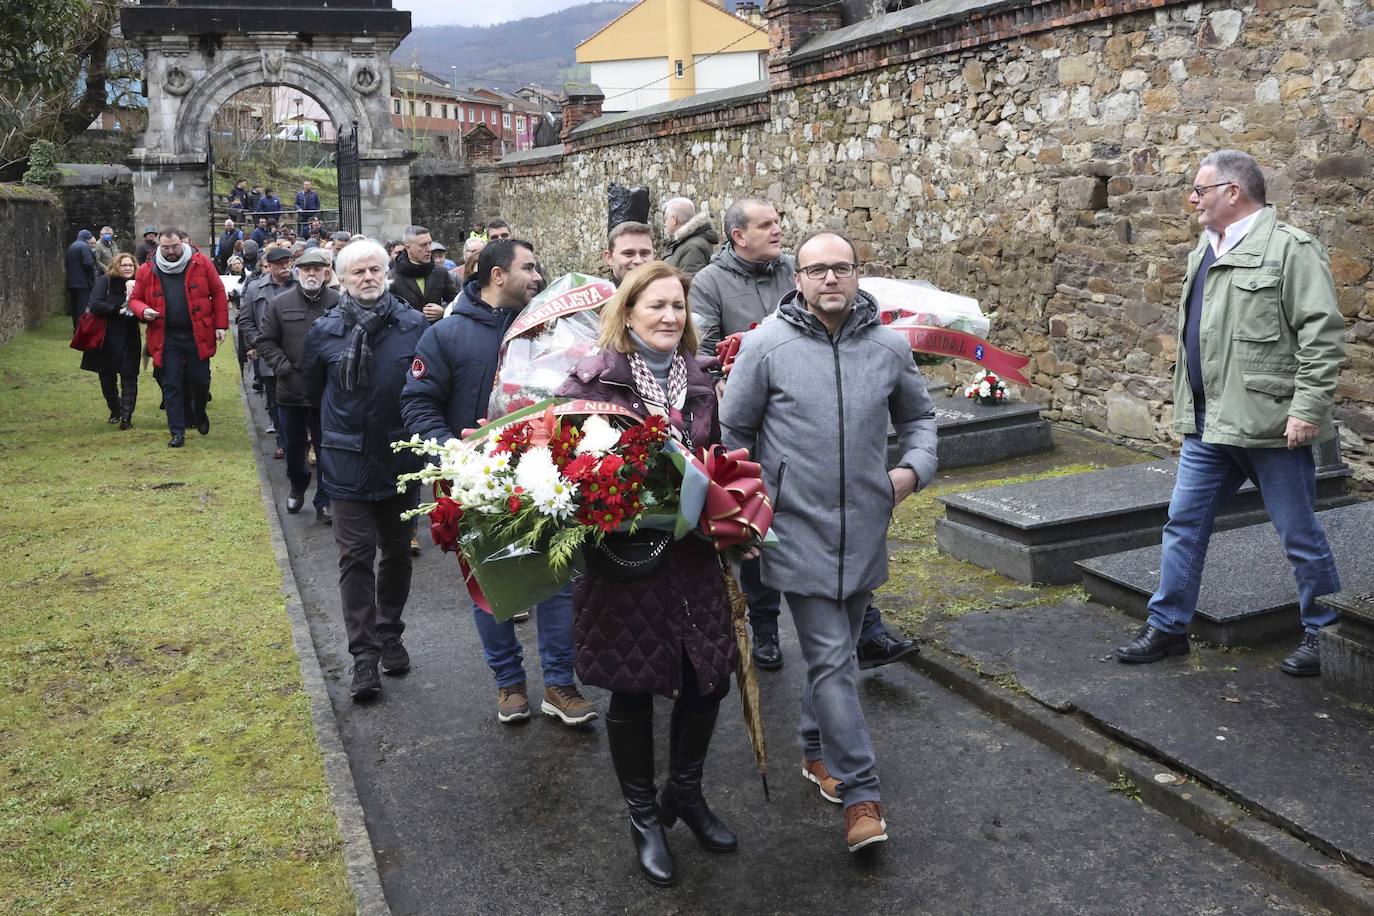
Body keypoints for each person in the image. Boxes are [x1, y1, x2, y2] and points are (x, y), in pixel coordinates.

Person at [720, 230, 937, 853]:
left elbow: (918, 419)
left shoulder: (889, 347)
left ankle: (815, 750)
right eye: (817, 271)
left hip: (866, 528)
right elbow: (734, 433)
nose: (830, 280)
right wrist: (749, 514)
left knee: (836, 648)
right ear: (799, 279)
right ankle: (862, 793)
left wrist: (911, 470)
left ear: (858, 273)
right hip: (795, 530)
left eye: (841, 268)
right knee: (833, 656)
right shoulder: (767, 346)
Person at [1115, 150, 1347, 676]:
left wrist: (1306, 409)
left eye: (1200, 190)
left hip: (1271, 427)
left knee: (1298, 535)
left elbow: (1323, 336)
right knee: (1183, 524)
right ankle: (1169, 627)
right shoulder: (1205, 248)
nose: (1192, 199)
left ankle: (1324, 633)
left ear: (1233, 191)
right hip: (1209, 424)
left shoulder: (1291, 250)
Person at [555, 260, 739, 886]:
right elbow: (565, 470)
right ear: (627, 312)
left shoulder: (700, 379)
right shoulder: (593, 383)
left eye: (678, 307)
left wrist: (730, 502)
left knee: (708, 678)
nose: (669, 317)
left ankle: (684, 793)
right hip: (625, 561)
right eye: (656, 306)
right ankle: (644, 817)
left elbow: (719, 454)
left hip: (693, 559)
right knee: (633, 685)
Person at [695, 198, 917, 672]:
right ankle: (767, 626)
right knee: (765, 548)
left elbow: (917, 416)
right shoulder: (711, 282)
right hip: (770, 422)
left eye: (779, 222)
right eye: (767, 224)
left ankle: (866, 635)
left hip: (844, 476)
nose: (778, 230)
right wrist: (735, 362)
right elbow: (707, 350)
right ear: (738, 235)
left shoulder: (798, 272)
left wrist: (914, 467)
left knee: (838, 622)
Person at [400, 238, 597, 727]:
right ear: (496, 275)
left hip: (545, 475)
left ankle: (559, 683)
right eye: (529, 268)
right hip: (477, 480)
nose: (537, 276)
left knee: (558, 580)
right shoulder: (445, 335)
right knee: (493, 582)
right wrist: (455, 452)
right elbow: (417, 403)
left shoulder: (549, 329)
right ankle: (508, 683)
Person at [302, 239, 429, 700]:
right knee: (355, 556)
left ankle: (389, 630)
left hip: (398, 457)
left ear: (387, 271)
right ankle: (363, 657)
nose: (368, 277)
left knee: (396, 553)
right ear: (341, 279)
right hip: (346, 461)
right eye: (358, 272)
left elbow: (426, 387)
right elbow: (313, 393)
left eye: (375, 269)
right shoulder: (325, 331)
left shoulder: (414, 325)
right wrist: (326, 442)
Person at [257, 247, 338, 523]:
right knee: (293, 447)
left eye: (317, 269)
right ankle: (297, 484)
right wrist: (283, 368)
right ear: (298, 272)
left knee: (327, 446)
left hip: (326, 391)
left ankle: (324, 500)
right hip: (290, 390)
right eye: (306, 269)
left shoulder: (338, 302)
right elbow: (266, 340)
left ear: (326, 272)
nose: (312, 274)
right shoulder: (279, 303)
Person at [128, 228, 229, 448]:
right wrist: (143, 310)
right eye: (166, 247)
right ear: (158, 246)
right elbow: (134, 299)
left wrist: (221, 325)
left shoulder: (201, 263)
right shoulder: (147, 269)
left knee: (200, 381)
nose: (171, 251)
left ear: (181, 244)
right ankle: (177, 431)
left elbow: (219, 292)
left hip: (196, 334)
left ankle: (199, 412)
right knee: (171, 384)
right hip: (166, 336)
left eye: (175, 246)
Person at [239, 245, 295, 456]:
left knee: (300, 398)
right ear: (268, 266)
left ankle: (301, 440)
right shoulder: (255, 288)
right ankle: (283, 440)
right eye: (280, 264)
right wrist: (259, 342)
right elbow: (245, 320)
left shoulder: (300, 284)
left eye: (288, 262)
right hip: (270, 355)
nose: (285, 267)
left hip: (297, 351)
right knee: (275, 399)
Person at [81, 252, 142, 428]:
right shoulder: (105, 281)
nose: (128, 268)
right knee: (107, 377)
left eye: (131, 265)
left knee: (129, 376)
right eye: (124, 265)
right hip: (107, 335)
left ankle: (126, 417)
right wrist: (118, 310)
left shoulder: (139, 284)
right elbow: (95, 304)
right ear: (117, 266)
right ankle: (115, 409)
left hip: (130, 335)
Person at [388, 225, 457, 324]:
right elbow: (389, 311)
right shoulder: (393, 277)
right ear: (408, 248)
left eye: (430, 243)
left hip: (437, 332)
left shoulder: (440, 272)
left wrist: (444, 311)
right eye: (423, 245)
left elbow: (456, 301)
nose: (429, 249)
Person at [662, 198, 718, 279]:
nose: (665, 223)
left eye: (666, 218)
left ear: (674, 219)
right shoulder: (682, 244)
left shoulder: (692, 247)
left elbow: (690, 287)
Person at [65, 229, 98, 330]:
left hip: (72, 282)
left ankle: (76, 329)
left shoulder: (71, 247)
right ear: (88, 238)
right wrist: (93, 278)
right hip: (83, 282)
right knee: (83, 307)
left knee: (75, 308)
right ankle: (82, 330)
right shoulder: (84, 246)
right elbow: (88, 263)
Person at [603, 220, 655, 285]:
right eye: (628, 254)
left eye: (645, 253)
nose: (638, 261)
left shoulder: (666, 292)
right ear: (609, 258)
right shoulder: (599, 293)